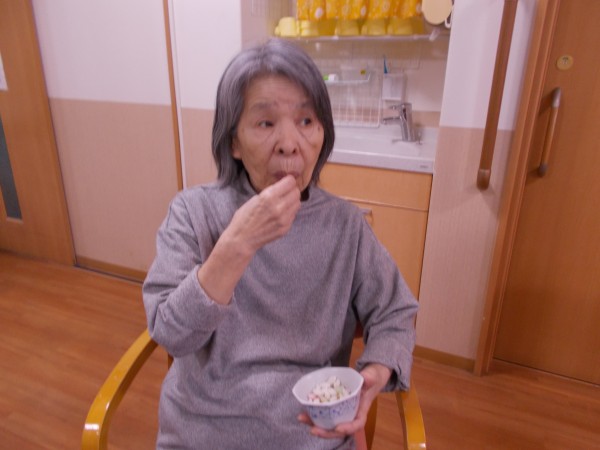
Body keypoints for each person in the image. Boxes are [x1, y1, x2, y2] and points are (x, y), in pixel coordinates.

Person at [142, 38, 418, 450]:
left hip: (312, 434)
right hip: (203, 432)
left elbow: (396, 312)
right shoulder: (192, 212)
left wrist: (374, 374)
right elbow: (172, 334)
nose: (290, 143)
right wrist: (239, 242)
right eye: (266, 123)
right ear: (233, 142)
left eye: (306, 121)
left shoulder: (345, 225)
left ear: (322, 134)